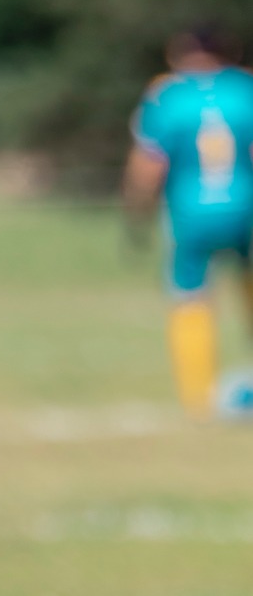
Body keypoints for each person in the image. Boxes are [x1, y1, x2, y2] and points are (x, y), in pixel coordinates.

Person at [124, 25, 253, 417]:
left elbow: (149, 164)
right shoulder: (245, 88)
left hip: (190, 212)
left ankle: (198, 399)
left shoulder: (167, 95)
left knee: (190, 296)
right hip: (246, 207)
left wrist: (137, 212)